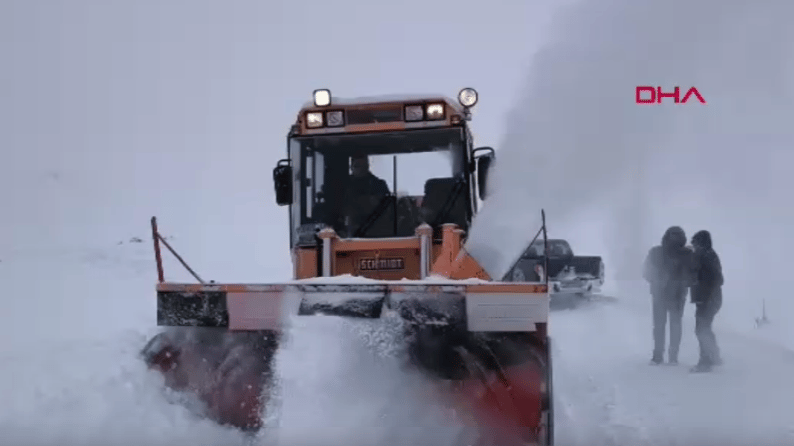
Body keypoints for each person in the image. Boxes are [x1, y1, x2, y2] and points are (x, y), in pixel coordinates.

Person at [643, 226, 696, 365]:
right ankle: (671, 357)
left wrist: (657, 281)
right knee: (674, 326)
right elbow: (693, 276)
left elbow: (646, 272)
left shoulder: (656, 252)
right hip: (675, 295)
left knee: (661, 326)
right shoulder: (687, 254)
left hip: (662, 294)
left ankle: (658, 356)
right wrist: (684, 283)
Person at [689, 230, 724, 373]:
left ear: (702, 243)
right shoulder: (706, 255)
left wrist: (705, 292)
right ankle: (714, 356)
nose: (694, 246)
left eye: (696, 243)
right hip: (708, 300)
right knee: (705, 329)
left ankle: (705, 362)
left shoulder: (706, 257)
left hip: (708, 300)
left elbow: (719, 279)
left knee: (701, 330)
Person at [344, 154, 390, 234]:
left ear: (367, 166)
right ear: (351, 167)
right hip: (349, 233)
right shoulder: (344, 186)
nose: (360, 169)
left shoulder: (379, 185)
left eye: (363, 166)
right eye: (357, 166)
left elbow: (386, 209)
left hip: (376, 229)